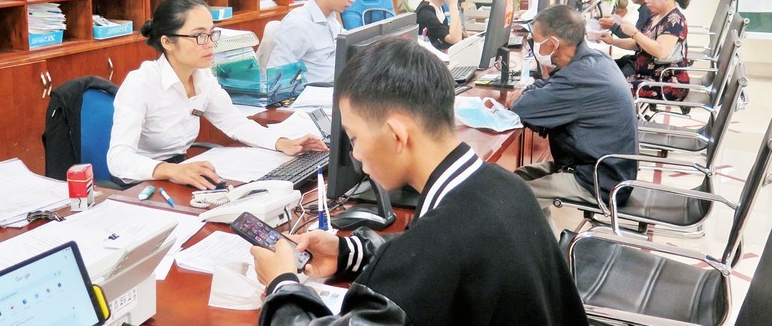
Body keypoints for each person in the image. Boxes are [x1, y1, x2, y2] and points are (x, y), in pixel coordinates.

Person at [250, 38, 588, 325]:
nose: (355, 155)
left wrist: (282, 283)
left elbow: (432, 256)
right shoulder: (501, 186)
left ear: (396, 135)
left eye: (353, 137)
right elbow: (431, 258)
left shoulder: (440, 245)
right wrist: (350, 252)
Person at [107, 0, 327, 189]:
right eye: (199, 36)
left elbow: (235, 123)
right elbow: (119, 160)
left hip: (182, 173)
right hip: (142, 182)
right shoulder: (141, 83)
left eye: (212, 34)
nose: (210, 44)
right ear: (167, 42)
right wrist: (170, 171)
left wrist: (282, 142)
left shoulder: (203, 77)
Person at [506, 4, 638, 234]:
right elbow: (546, 87)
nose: (532, 46)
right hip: (595, 165)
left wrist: (524, 96)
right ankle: (548, 245)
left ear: (553, 43)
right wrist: (534, 93)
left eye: (536, 41)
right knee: (514, 180)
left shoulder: (580, 77)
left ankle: (545, 261)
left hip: (598, 179)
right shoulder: (592, 59)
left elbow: (523, 108)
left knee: (512, 200)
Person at [266, 0, 362, 83]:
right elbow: (277, 78)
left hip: (338, 88)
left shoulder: (331, 19)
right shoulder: (298, 24)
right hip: (316, 97)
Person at [601, 0, 692, 101]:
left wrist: (635, 33)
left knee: (612, 87)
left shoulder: (674, 20)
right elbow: (639, 44)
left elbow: (660, 51)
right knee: (606, 76)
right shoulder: (656, 16)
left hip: (666, 82)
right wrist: (612, 41)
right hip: (648, 76)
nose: (647, 0)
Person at [596, 0, 654, 77]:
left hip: (643, 65)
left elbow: (633, 37)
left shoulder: (648, 9)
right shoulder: (645, 8)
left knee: (604, 71)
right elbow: (631, 29)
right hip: (638, 59)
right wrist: (616, 19)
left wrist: (613, 25)